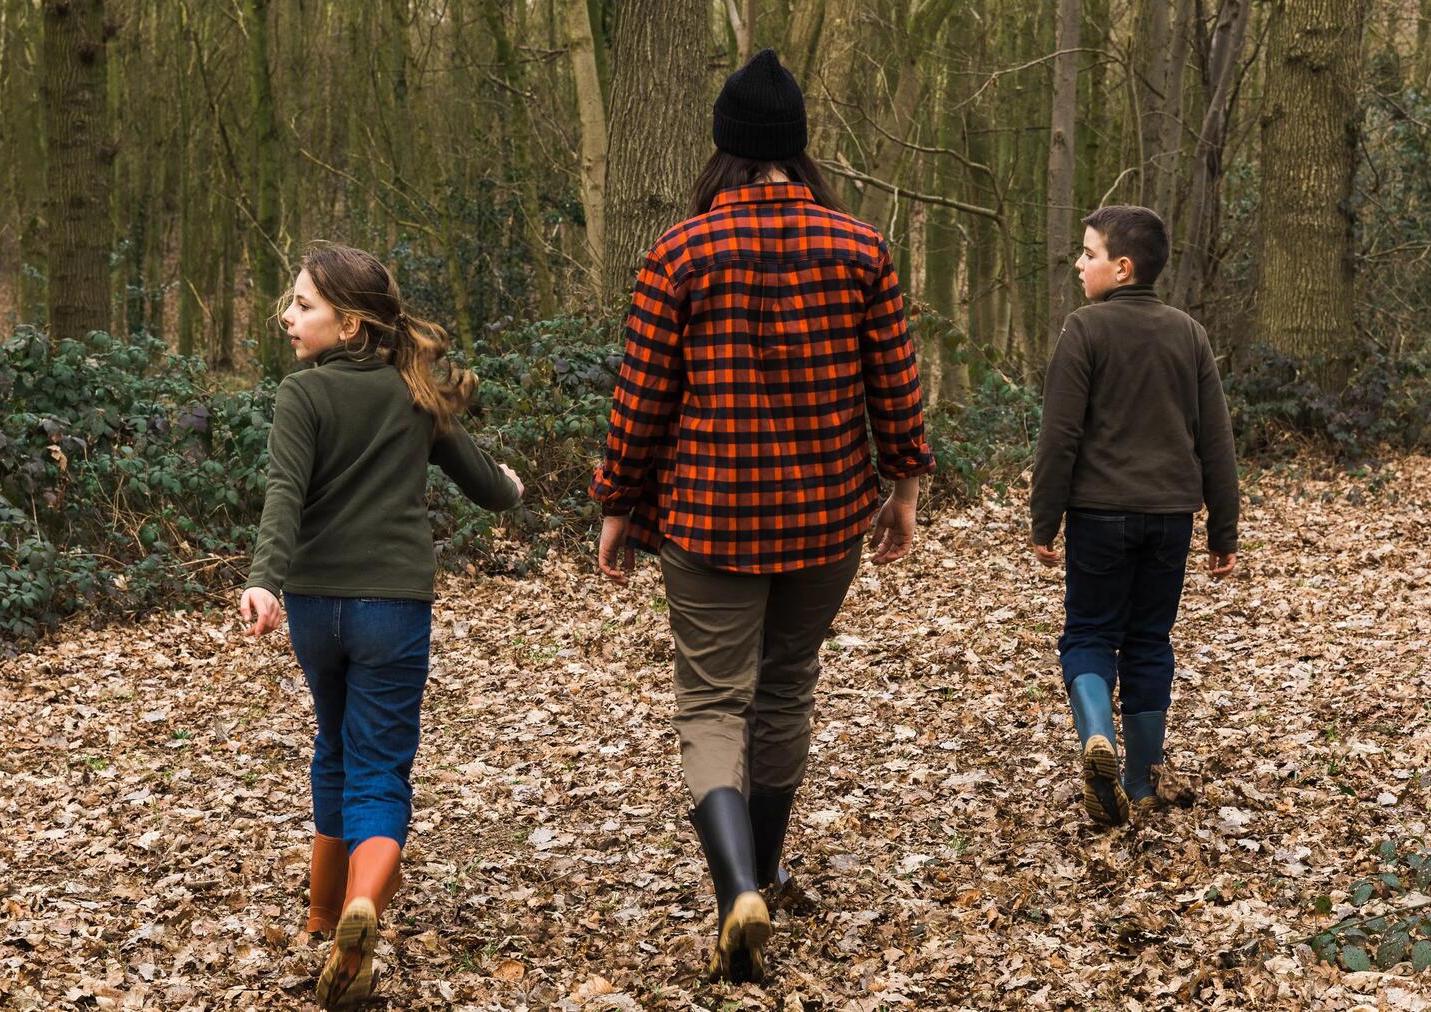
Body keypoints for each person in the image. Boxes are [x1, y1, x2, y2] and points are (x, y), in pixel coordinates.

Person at [590, 49, 934, 984]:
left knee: (711, 701)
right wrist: (902, 486)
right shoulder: (860, 248)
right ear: (799, 149)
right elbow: (895, 388)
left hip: (707, 517)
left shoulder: (680, 250)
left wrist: (619, 502)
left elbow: (643, 398)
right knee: (785, 688)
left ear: (724, 149)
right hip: (825, 518)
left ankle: (735, 884)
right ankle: (770, 871)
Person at [238, 244, 522, 1009]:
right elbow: (488, 488)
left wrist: (264, 579)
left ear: (351, 323)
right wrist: (512, 485)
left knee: (333, 746)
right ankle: (363, 905)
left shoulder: (303, 396)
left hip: (312, 608)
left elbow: (283, 496)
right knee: (380, 766)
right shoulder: (415, 392)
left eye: (302, 306)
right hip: (392, 608)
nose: (287, 317)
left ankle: (324, 916)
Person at [1029, 205, 1240, 827]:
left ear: (1122, 269)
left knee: (1090, 634)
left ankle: (1097, 735)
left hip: (1098, 516)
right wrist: (1223, 528)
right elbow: (1216, 441)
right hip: (1171, 515)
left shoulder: (1084, 330)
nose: (1078, 263)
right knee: (1149, 641)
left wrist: (1045, 521)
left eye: (1088, 253)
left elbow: (1059, 436)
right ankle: (1142, 783)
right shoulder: (1188, 333)